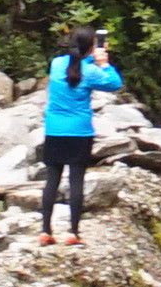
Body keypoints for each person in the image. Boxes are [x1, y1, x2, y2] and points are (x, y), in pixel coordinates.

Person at [34, 30, 121, 242]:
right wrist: (104, 62)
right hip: (80, 132)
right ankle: (73, 232)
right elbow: (114, 83)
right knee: (76, 181)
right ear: (91, 47)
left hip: (54, 130)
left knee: (52, 180)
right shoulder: (91, 71)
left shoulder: (56, 64)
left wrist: (91, 56)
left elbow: (75, 65)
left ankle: (45, 231)